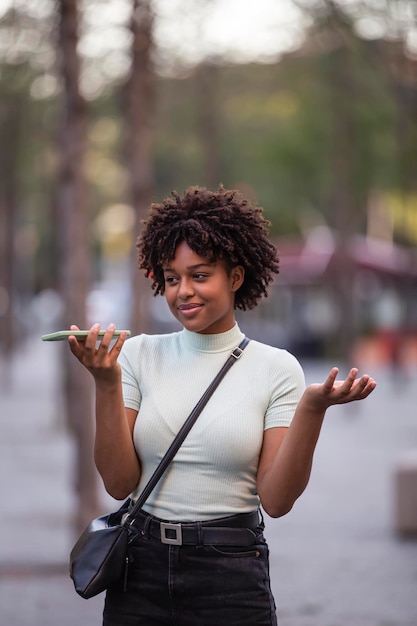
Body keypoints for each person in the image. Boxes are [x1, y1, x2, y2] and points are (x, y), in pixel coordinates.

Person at [68, 185, 376, 626]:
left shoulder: (276, 368)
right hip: (141, 570)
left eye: (199, 275)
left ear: (234, 277)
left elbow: (277, 500)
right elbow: (118, 484)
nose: (183, 292)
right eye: (172, 278)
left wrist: (312, 409)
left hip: (231, 573)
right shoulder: (137, 355)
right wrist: (105, 381)